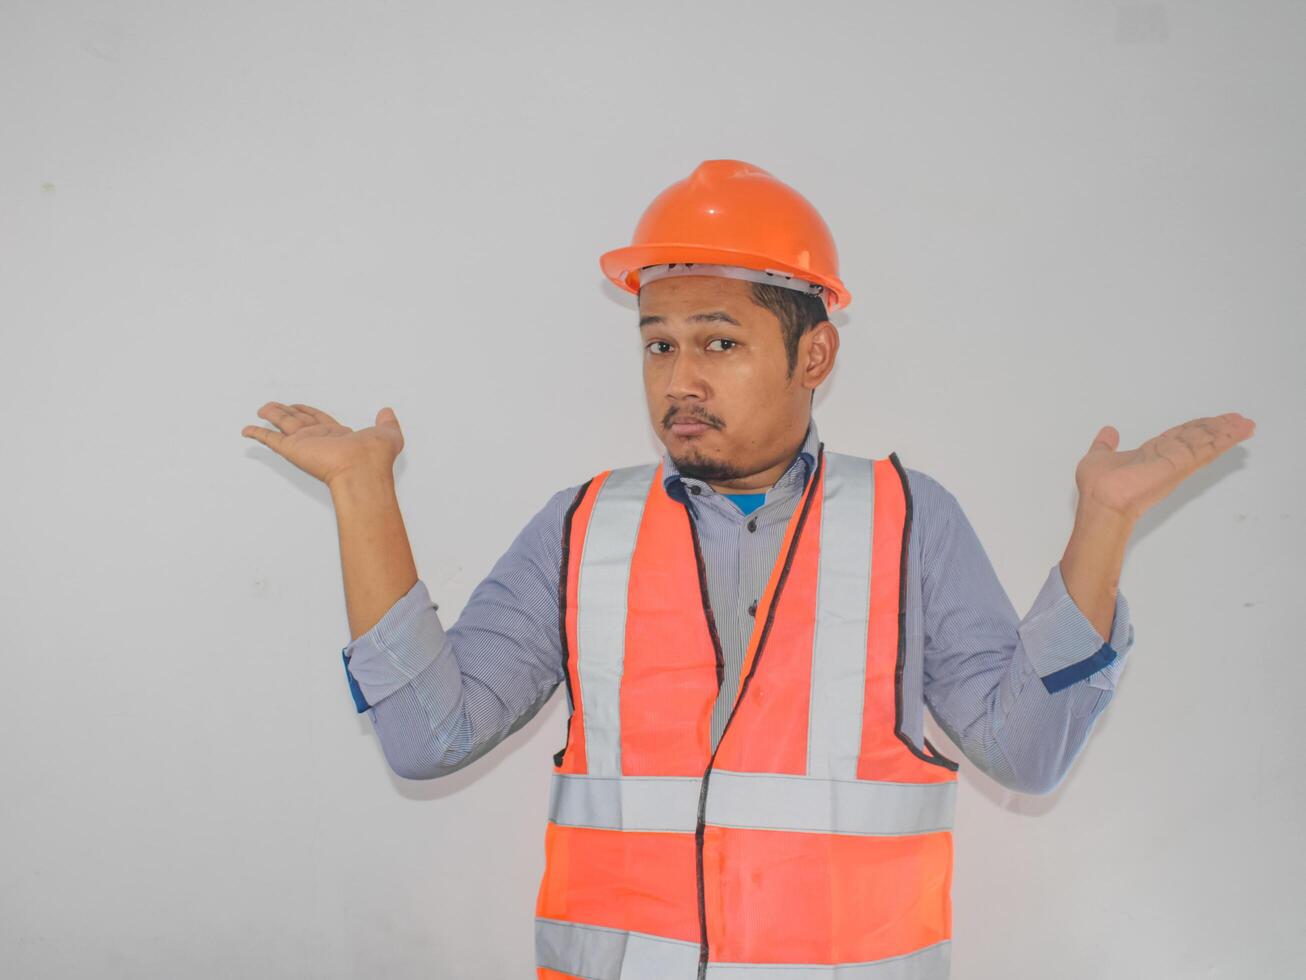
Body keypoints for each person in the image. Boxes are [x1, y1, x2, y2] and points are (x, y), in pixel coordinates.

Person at [241, 160, 1256, 979]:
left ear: (813, 356)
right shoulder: (584, 527)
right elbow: (427, 737)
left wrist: (1102, 523)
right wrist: (362, 494)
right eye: (657, 345)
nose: (678, 379)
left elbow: (1027, 751)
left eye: (718, 342)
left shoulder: (908, 521)